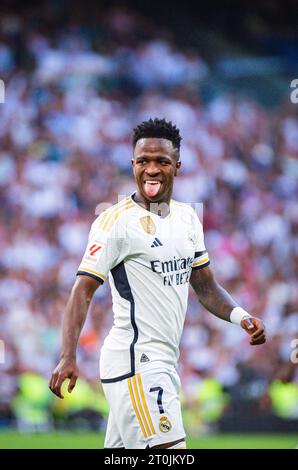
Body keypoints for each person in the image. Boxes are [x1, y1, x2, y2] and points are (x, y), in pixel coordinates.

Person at [49, 118, 266, 449]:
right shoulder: (114, 222)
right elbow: (83, 290)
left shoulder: (187, 218)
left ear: (177, 166)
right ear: (132, 164)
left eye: (161, 161)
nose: (152, 169)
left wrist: (241, 317)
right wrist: (68, 355)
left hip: (164, 362)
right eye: (143, 161)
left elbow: (206, 287)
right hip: (138, 362)